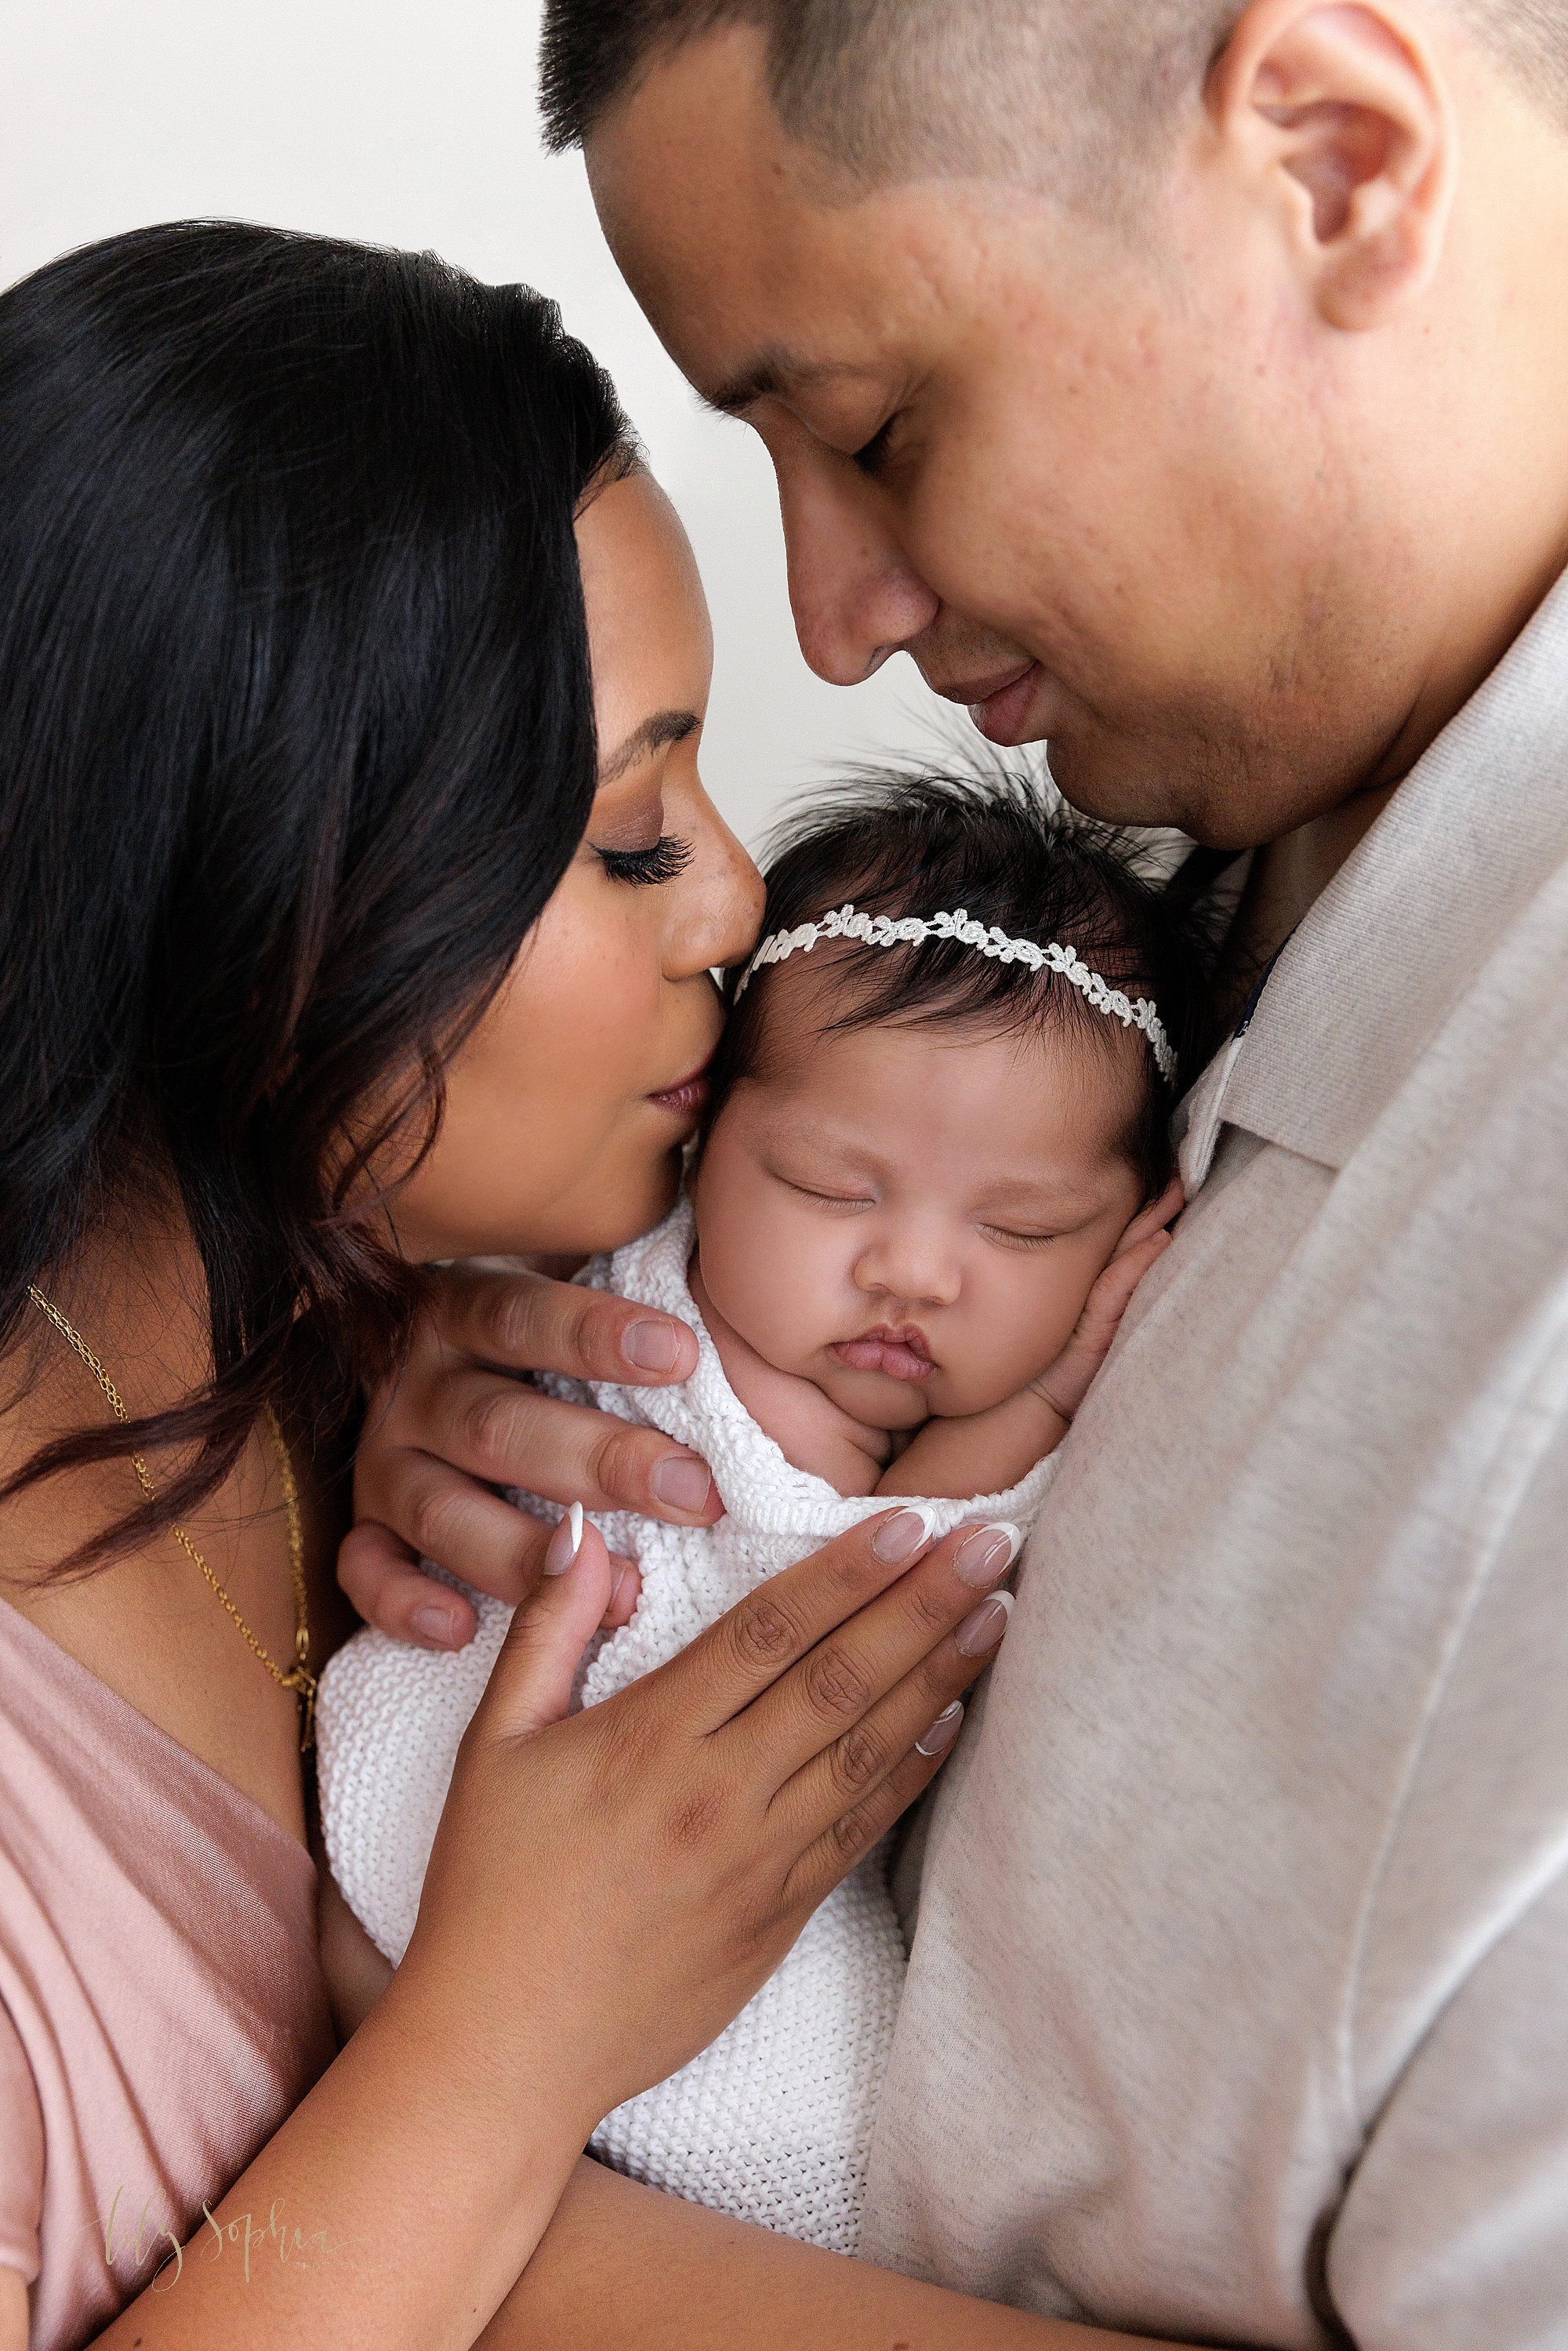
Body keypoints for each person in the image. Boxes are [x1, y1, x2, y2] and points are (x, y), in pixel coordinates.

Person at [345, 2, 1568, 2342]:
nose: (834, 618)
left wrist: (438, 2137)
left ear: (1331, 157)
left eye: (881, 430)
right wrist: (524, 1358)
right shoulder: (1249, 818)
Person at [0, 219, 1016, 2351]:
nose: (737, 901)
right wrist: (503, 2036)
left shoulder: (417, 1382)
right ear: (260, 891)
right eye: (630, 839)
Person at [313, 769, 1203, 2258]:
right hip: (523, 1802)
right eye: (825, 1185)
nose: (913, 1272)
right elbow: (868, 1586)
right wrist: (1034, 1406)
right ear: (705, 1136)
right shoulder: (660, 1326)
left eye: (1022, 1228)